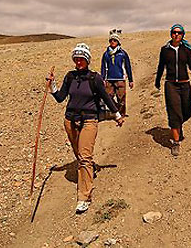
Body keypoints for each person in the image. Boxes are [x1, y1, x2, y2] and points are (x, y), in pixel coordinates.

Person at [46, 43, 125, 213]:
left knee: (84, 157)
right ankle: (91, 168)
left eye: (82, 58)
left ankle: (84, 196)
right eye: (76, 58)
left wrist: (117, 115)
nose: (79, 61)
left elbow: (106, 97)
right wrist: (52, 86)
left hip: (89, 120)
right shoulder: (70, 76)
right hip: (70, 121)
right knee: (79, 153)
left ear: (87, 60)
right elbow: (61, 98)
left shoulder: (94, 78)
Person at [155, 24, 191, 156]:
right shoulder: (165, 50)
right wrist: (157, 81)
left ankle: (179, 125)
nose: (176, 35)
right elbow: (161, 66)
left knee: (186, 111)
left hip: (184, 84)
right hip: (171, 85)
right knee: (174, 112)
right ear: (171, 34)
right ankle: (175, 142)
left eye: (179, 33)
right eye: (174, 33)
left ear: (183, 35)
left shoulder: (186, 50)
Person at [101, 28, 134, 117]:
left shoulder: (123, 53)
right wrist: (103, 78)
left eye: (115, 40)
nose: (112, 42)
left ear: (118, 41)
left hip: (120, 78)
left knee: (121, 98)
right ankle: (116, 110)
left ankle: (121, 114)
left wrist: (130, 80)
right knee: (108, 97)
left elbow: (128, 67)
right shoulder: (106, 54)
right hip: (109, 79)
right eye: (111, 40)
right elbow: (103, 67)